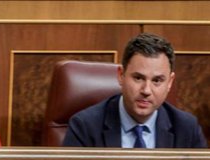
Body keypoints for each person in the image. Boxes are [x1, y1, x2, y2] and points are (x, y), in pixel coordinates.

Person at [62, 33, 207, 148]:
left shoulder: (187, 129)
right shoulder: (85, 126)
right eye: (138, 78)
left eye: (157, 81)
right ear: (121, 75)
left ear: (170, 82)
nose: (146, 90)